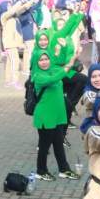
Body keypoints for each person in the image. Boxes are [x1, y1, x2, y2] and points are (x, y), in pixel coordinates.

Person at [31, 48, 80, 181]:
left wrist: (69, 55)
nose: (44, 62)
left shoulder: (55, 69)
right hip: (45, 116)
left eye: (46, 59)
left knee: (58, 143)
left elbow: (70, 73)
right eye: (41, 60)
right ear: (36, 61)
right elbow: (54, 79)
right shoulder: (38, 76)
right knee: (44, 146)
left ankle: (64, 169)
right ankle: (41, 171)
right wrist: (67, 67)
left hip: (57, 115)